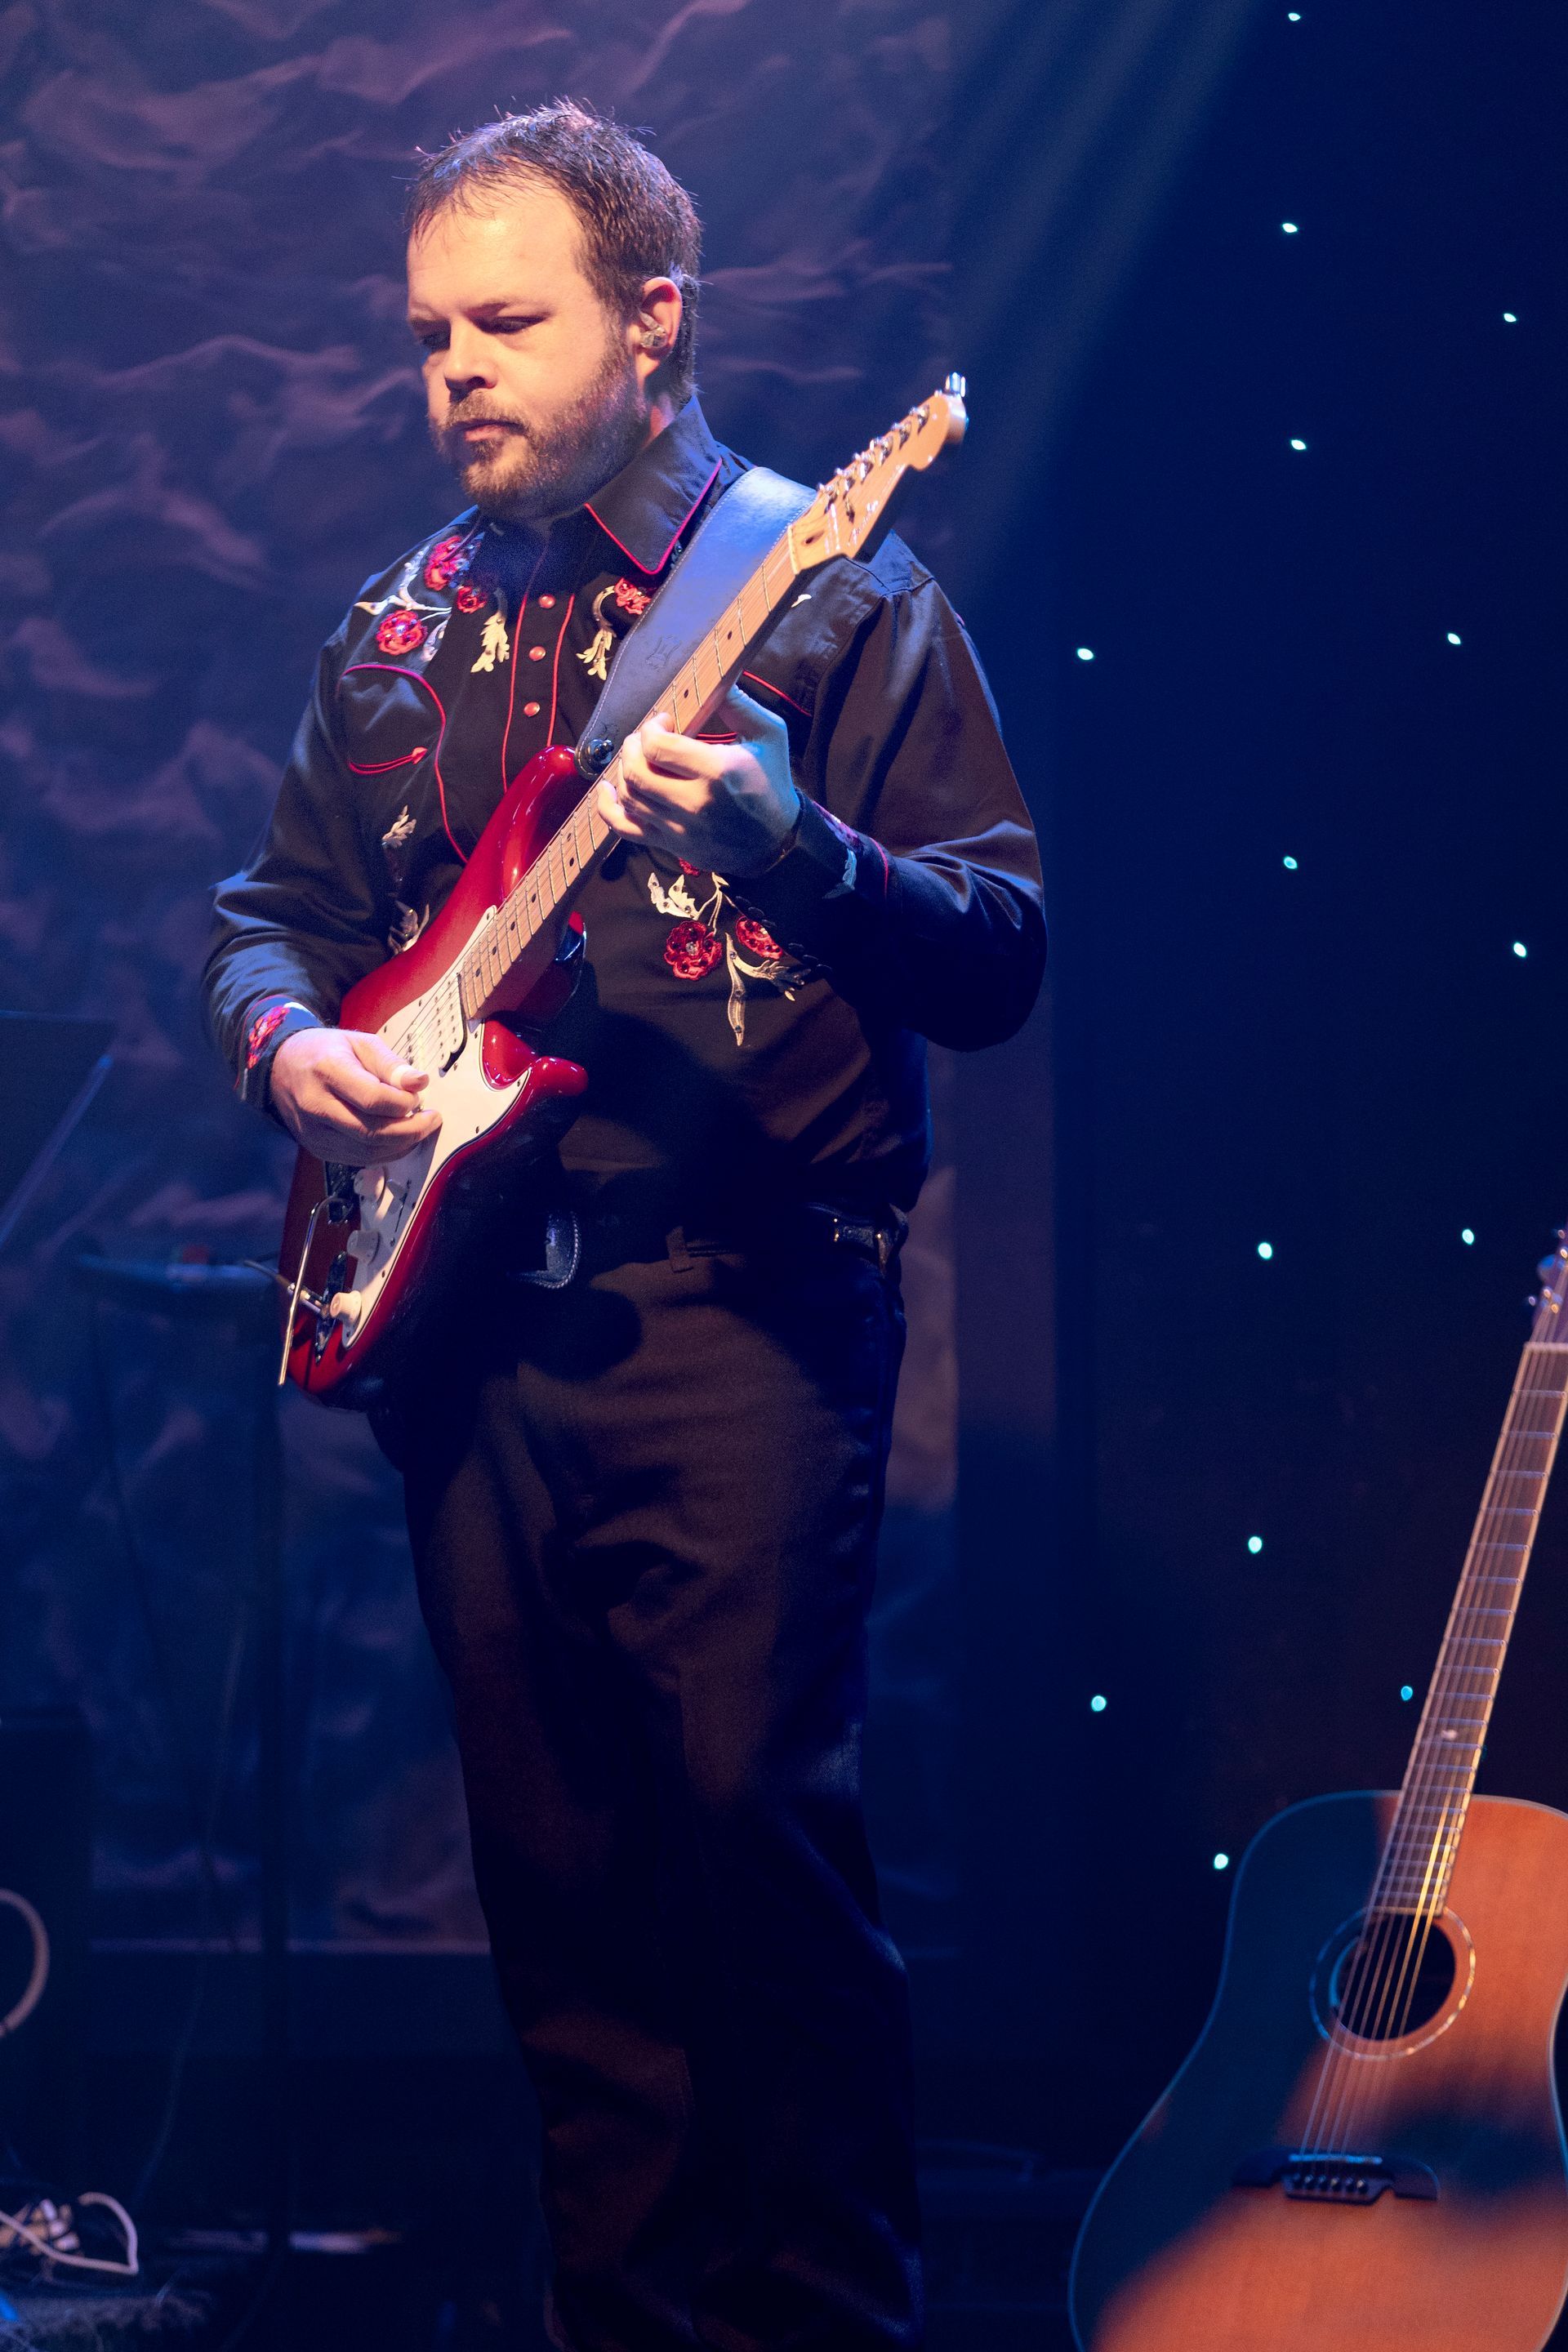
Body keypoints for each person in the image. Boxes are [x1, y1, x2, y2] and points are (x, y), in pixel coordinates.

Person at [205, 100, 1044, 2352]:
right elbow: (271, 922)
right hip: (474, 1331)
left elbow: (999, 956)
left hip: (740, 1313)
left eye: (504, 323)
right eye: (427, 337)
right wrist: (294, 1054)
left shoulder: (835, 591)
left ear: (656, 322)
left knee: (753, 1858)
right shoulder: (395, 626)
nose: (453, 372)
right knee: (564, 1911)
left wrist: (793, 848)